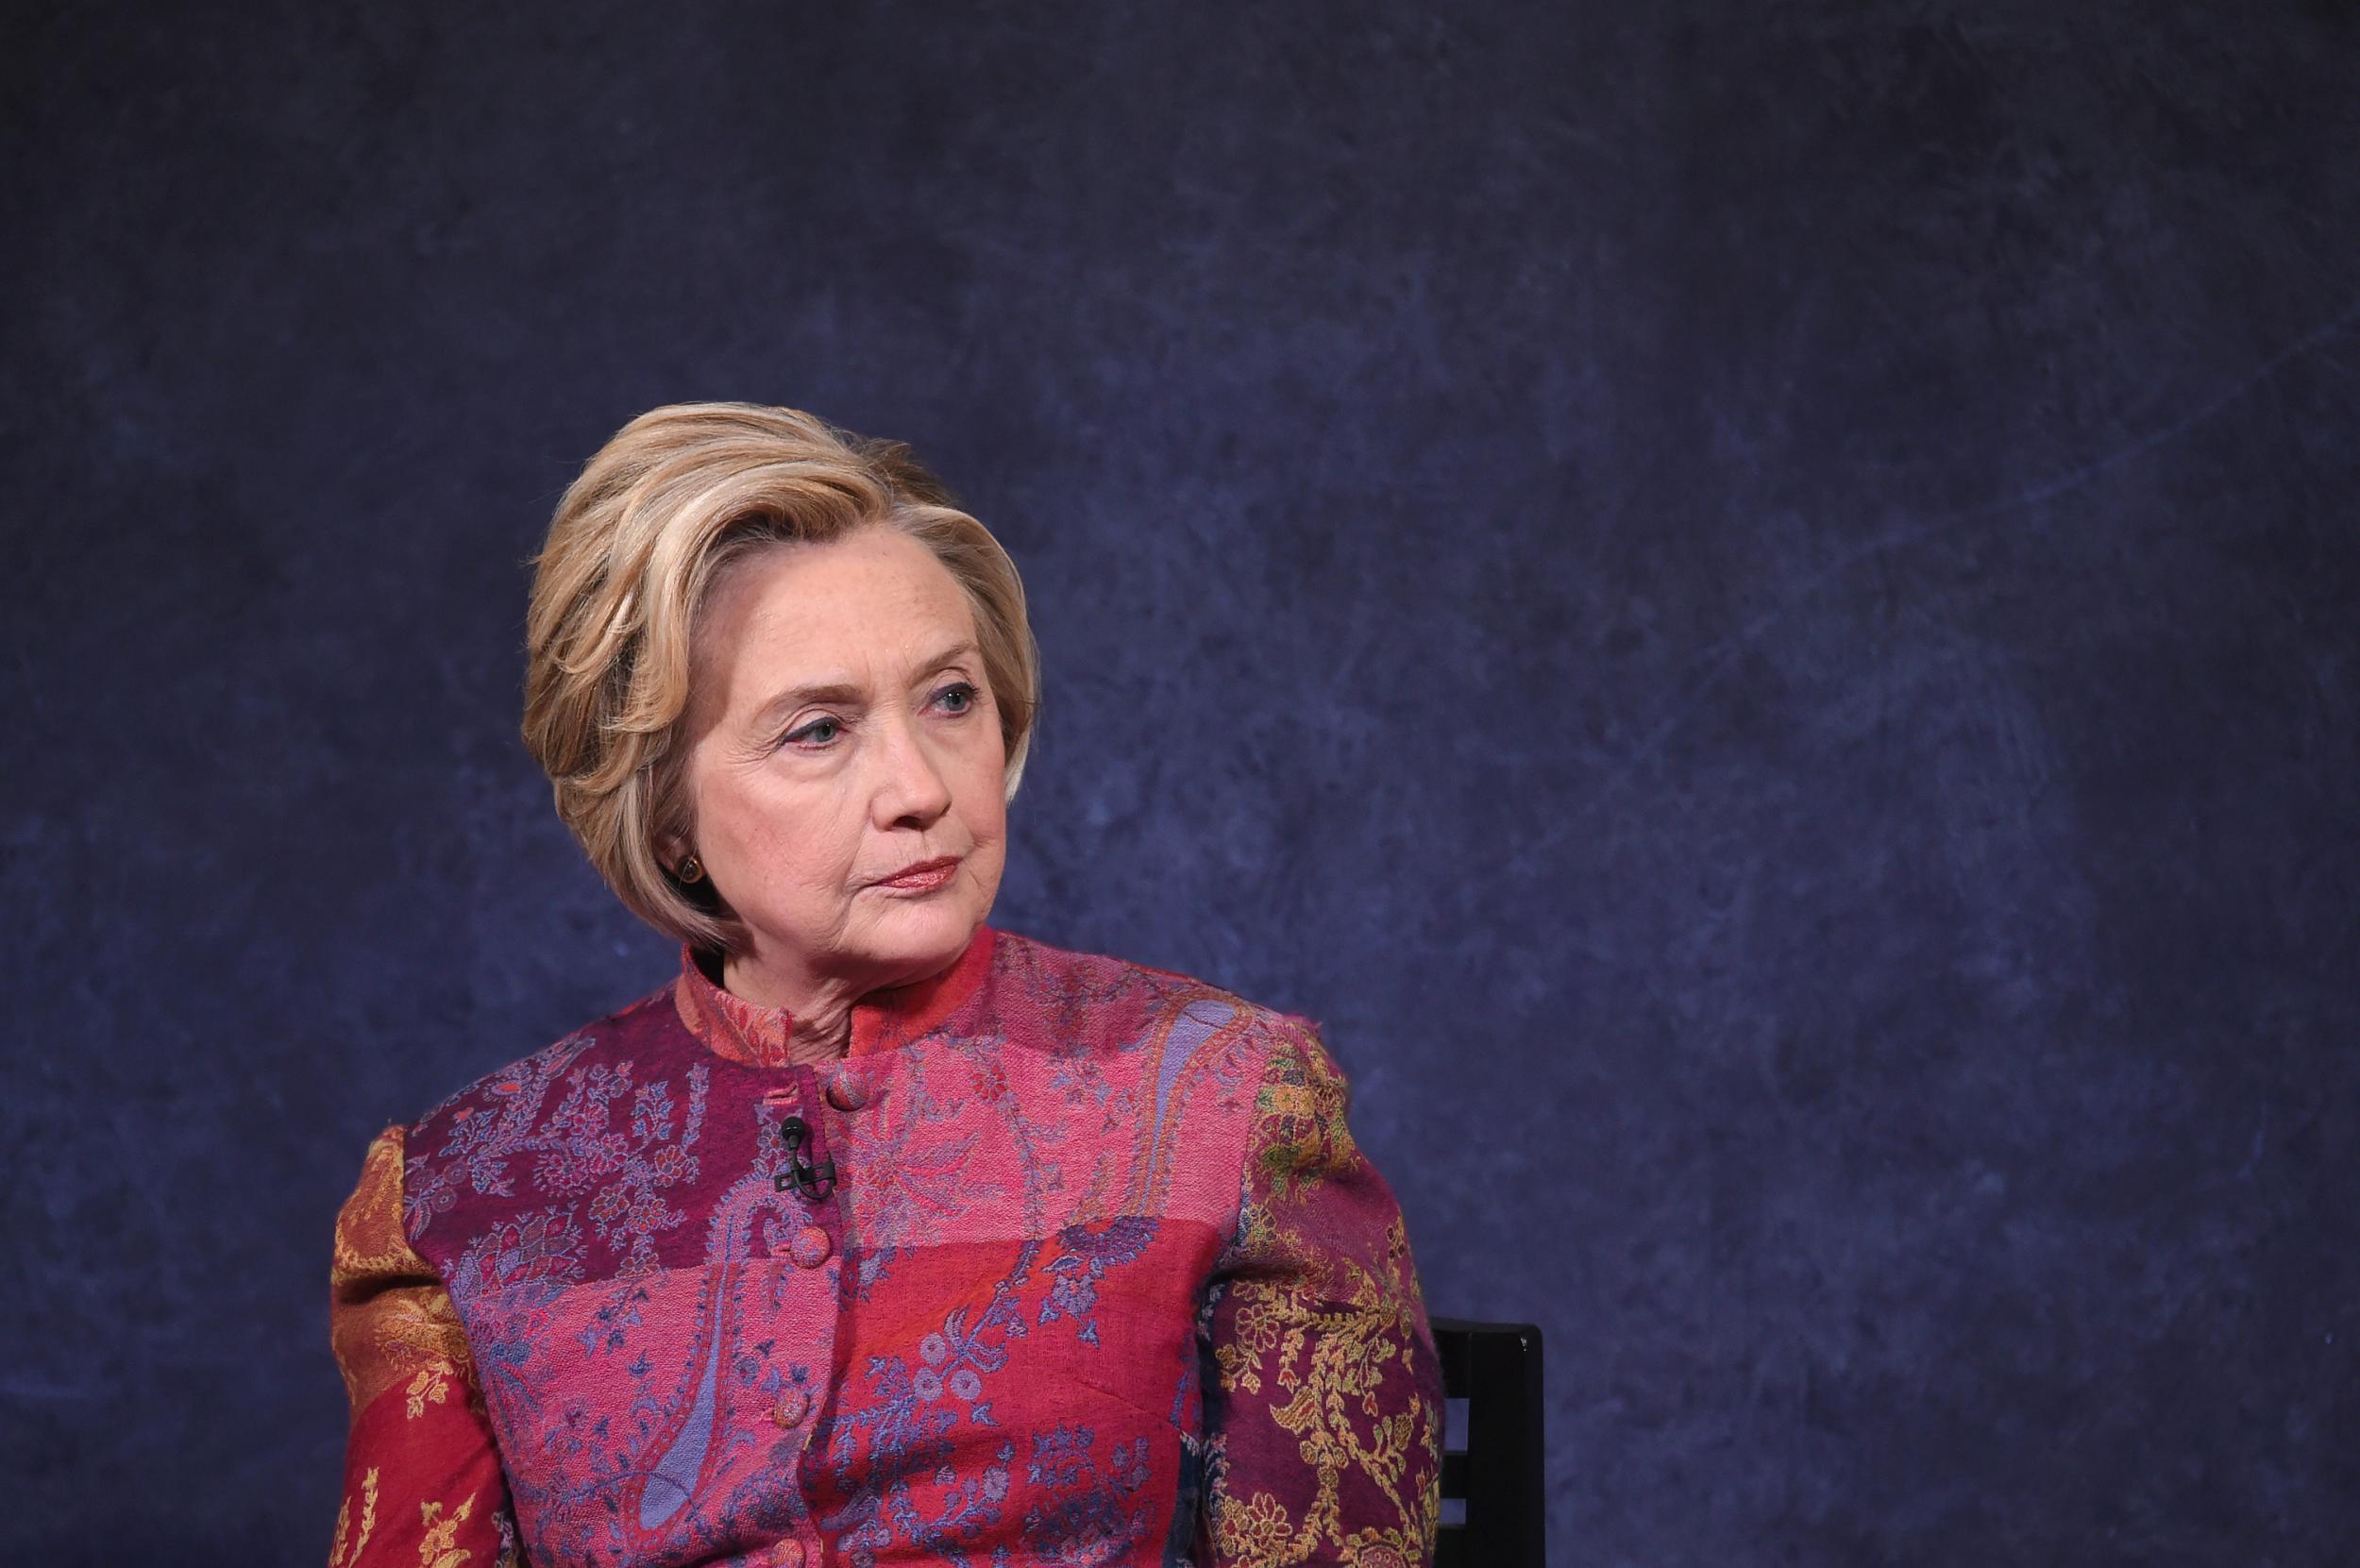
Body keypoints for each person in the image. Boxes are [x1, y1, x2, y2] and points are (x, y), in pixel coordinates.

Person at [325, 402, 1442, 1568]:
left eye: (950, 697)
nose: (919, 784)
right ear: (663, 818)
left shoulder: (1226, 1095)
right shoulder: (454, 1196)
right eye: (817, 729)